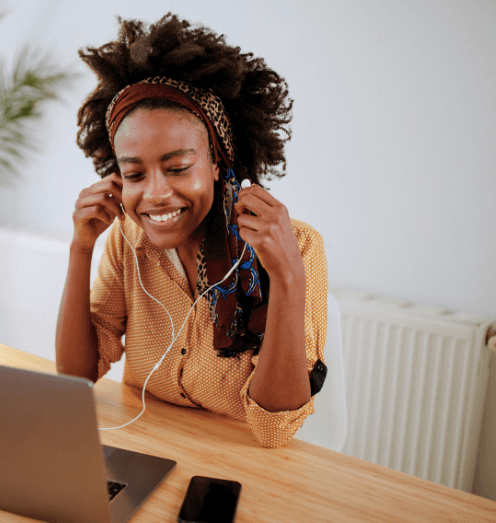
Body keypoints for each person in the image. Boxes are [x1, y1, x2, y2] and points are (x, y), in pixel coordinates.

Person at [55, 14, 328, 448]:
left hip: (241, 462)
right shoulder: (127, 240)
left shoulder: (294, 245)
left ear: (217, 164)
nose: (156, 194)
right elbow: (76, 375)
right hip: (143, 445)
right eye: (135, 174)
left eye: (178, 168)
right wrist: (80, 249)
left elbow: (275, 430)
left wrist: (289, 276)